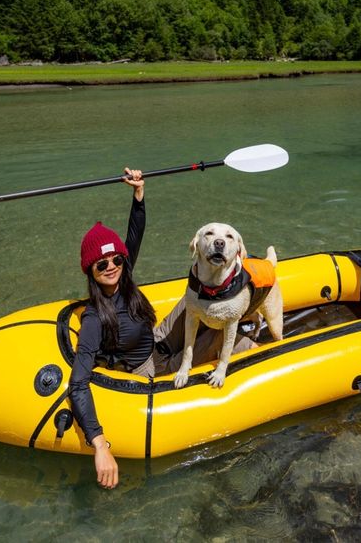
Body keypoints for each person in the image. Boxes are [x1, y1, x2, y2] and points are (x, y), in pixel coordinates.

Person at [69, 167, 256, 489]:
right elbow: (77, 384)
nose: (112, 267)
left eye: (116, 260)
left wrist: (138, 194)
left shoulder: (124, 280)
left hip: (155, 339)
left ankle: (249, 306)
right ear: (91, 271)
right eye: (102, 265)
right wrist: (99, 445)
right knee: (220, 334)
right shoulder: (94, 318)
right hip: (146, 369)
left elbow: (134, 235)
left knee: (196, 298)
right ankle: (255, 344)